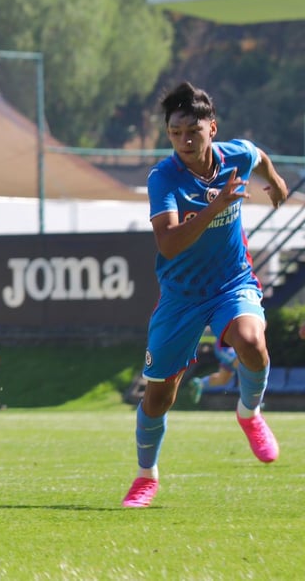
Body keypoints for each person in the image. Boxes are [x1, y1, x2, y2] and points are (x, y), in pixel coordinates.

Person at [122, 81, 287, 508]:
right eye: (175, 133)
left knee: (251, 342)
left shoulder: (237, 154)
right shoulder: (164, 177)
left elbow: (261, 158)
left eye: (192, 131)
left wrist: (275, 182)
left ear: (212, 128)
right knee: (159, 394)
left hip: (232, 282)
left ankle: (249, 413)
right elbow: (169, 244)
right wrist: (214, 207)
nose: (184, 141)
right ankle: (146, 477)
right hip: (181, 296)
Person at [187, 330, 239, 404]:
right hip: (225, 345)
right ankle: (250, 403)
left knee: (223, 379)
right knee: (243, 367)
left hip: (235, 348)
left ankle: (200, 383)